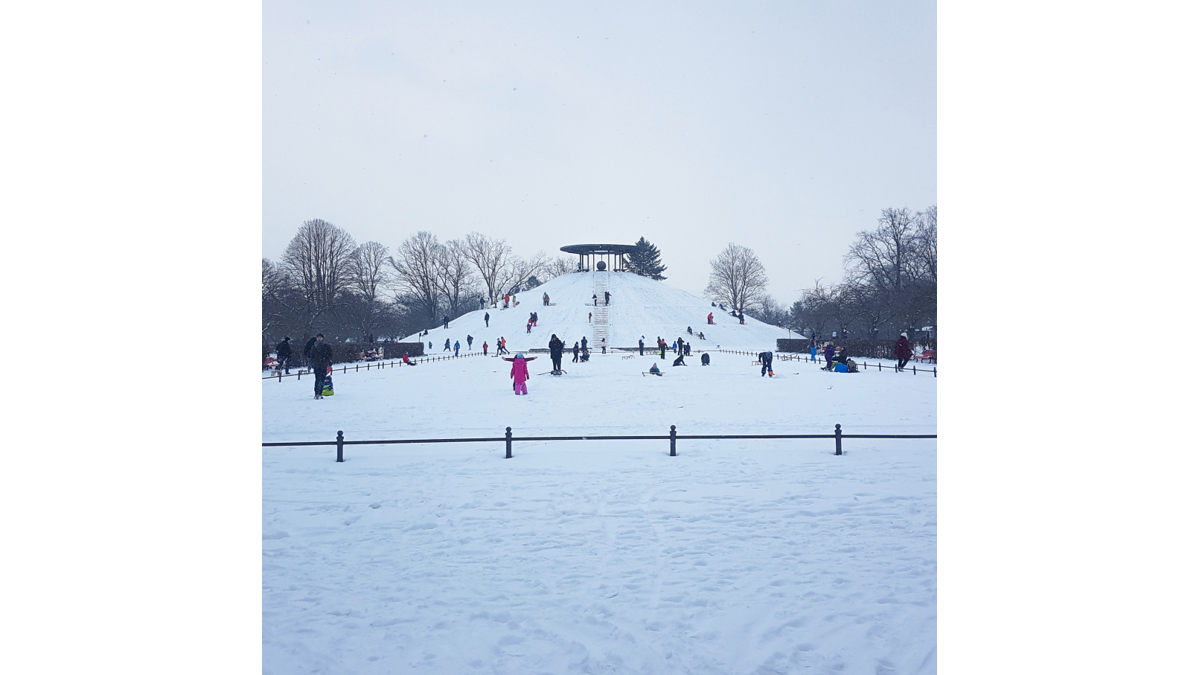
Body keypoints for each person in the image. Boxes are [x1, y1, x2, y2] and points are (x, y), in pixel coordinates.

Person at [310, 334, 333, 400]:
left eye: (320, 337)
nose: (319, 339)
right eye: (318, 337)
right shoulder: (314, 347)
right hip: (317, 365)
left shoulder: (327, 346)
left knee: (322, 379)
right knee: (317, 379)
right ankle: (317, 393)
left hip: (323, 365)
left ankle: (320, 392)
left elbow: (330, 355)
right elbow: (311, 356)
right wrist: (313, 363)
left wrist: (328, 362)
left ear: (322, 338)